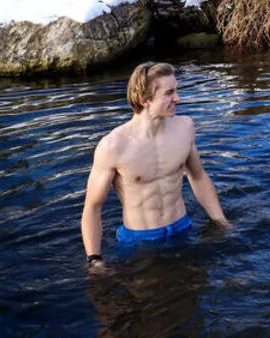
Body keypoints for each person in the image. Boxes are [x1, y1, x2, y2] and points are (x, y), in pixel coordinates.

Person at [81, 62, 228, 271]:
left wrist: (221, 221)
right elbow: (93, 206)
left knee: (195, 287)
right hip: (140, 242)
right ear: (144, 99)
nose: (178, 98)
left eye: (176, 90)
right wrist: (94, 259)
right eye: (169, 93)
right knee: (149, 292)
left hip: (183, 229)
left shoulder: (184, 128)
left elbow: (198, 177)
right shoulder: (113, 146)